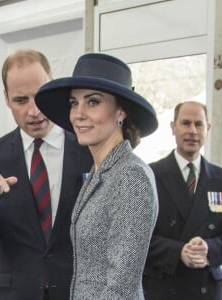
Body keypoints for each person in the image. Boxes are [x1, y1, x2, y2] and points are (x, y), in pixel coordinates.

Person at [0, 49, 92, 300]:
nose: (34, 111)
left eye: (40, 96)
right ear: (7, 99)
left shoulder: (89, 151)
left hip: (78, 293)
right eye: (21, 100)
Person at [35, 52, 159, 300]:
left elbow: (120, 286)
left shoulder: (131, 176)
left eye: (92, 102)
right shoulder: (99, 173)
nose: (78, 113)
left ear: (120, 111)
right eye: (73, 103)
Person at [143, 101, 222, 300]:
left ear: (208, 128)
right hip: (164, 288)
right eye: (185, 123)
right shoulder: (150, 175)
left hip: (207, 290)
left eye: (199, 124)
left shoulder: (220, 179)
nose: (192, 131)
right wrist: (178, 251)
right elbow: (137, 238)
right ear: (173, 127)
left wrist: (209, 249)